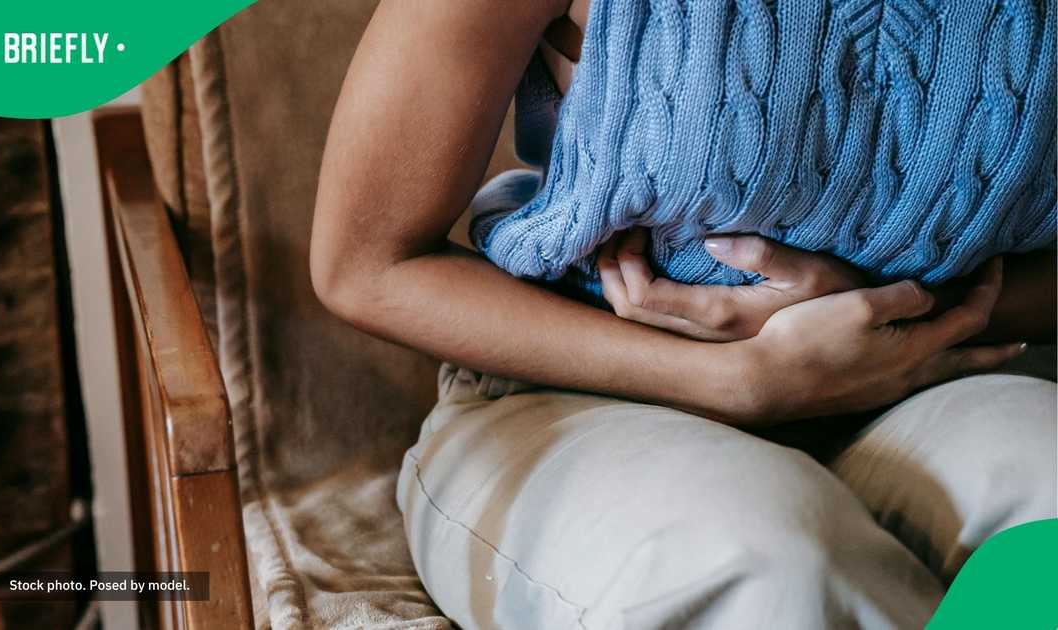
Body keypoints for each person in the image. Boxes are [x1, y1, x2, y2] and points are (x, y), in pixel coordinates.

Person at [310, 1, 1057, 628]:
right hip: (581, 399)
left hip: (929, 377)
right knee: (773, 570)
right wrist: (736, 379)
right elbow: (366, 264)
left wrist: (876, 313)